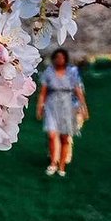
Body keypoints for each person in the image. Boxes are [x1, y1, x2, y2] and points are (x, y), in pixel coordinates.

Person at [35, 48, 89, 177]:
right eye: (57, 57)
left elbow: (78, 91)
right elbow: (43, 91)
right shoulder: (49, 72)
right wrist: (40, 107)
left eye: (62, 57)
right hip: (52, 106)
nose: (59, 60)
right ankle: (53, 163)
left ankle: (62, 166)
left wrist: (83, 108)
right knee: (52, 135)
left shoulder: (72, 72)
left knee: (65, 137)